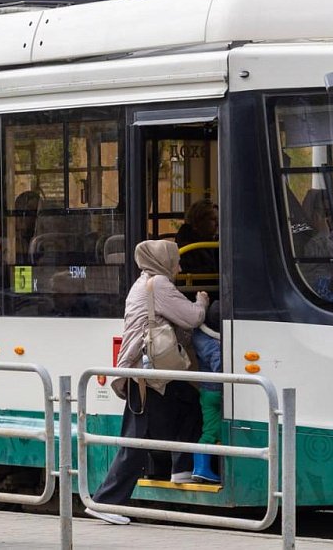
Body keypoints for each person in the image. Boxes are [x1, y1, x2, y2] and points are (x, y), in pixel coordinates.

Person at [86, 240, 209, 526]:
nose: (179, 266)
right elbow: (191, 317)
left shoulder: (144, 282)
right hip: (145, 375)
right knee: (136, 441)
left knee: (189, 404)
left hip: (146, 372)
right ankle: (105, 501)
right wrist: (202, 301)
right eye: (175, 261)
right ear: (162, 262)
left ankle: (181, 467)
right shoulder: (159, 284)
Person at [190, 300, 222, 484]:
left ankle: (201, 467)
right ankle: (201, 469)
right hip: (217, 392)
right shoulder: (215, 346)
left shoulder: (199, 336)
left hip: (205, 391)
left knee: (209, 428)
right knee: (213, 431)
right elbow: (219, 368)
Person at [175, 199, 218, 275]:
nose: (217, 224)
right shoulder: (187, 247)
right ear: (198, 222)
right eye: (212, 219)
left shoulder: (214, 242)